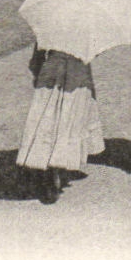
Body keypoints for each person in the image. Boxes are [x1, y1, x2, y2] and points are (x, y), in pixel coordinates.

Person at [16, 45, 105, 205]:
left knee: (47, 118)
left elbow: (38, 53)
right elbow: (95, 51)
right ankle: (56, 167)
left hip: (52, 69)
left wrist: (38, 66)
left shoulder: (51, 21)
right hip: (78, 72)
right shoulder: (89, 23)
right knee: (68, 121)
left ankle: (47, 166)